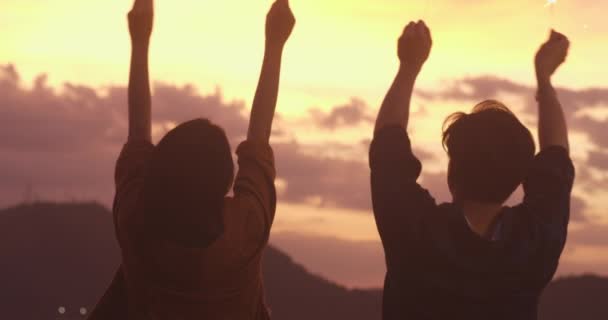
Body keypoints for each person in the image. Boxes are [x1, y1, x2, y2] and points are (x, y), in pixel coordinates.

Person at [88, 0, 295, 318]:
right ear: (225, 181)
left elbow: (138, 134)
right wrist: (276, 43)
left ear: (158, 174)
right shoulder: (245, 229)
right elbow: (259, 139)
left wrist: (140, 39)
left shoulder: (136, 223)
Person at [369, 21, 574, 320]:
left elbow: (388, 143)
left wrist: (409, 66)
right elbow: (557, 153)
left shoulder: (416, 233)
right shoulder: (534, 244)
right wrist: (544, 77)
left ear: (453, 172)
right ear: (519, 178)